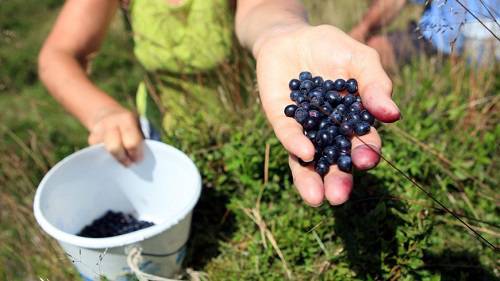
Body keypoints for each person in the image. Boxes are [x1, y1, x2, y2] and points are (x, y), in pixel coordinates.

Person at [38, 0, 401, 207]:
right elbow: (57, 54)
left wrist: (280, 34)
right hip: (164, 134)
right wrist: (103, 111)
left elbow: (265, 9)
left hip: (249, 128)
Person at [350, 0, 500, 71]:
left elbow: (393, 2)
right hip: (489, 47)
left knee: (370, 51)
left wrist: (361, 30)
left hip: (437, 41)